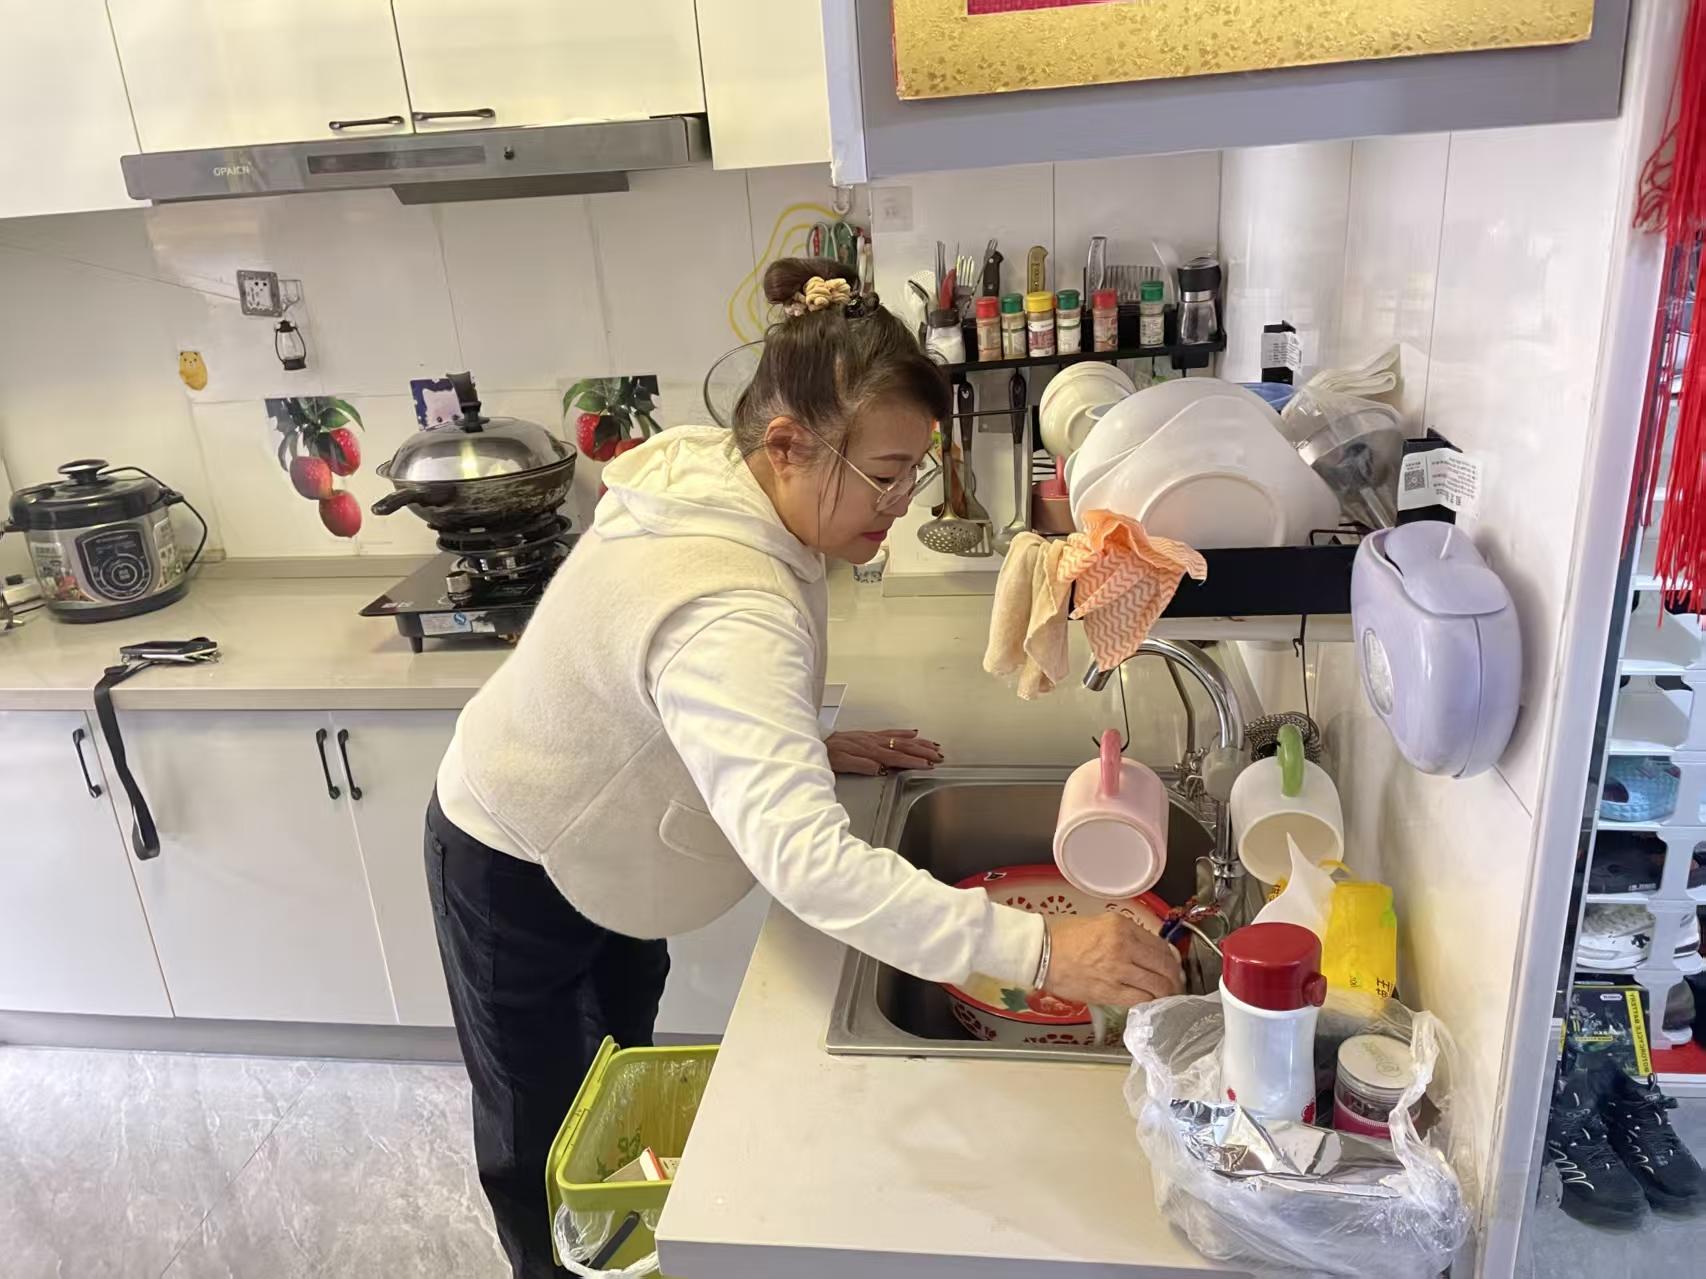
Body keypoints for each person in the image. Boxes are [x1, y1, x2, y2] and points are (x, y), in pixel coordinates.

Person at [425, 257, 1184, 1276]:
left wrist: (789, 740)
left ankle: (607, 1244)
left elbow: (662, 681)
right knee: (540, 1143)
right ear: (784, 443)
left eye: (912, 472)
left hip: (605, 836)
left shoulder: (721, 477)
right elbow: (810, 864)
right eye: (884, 473)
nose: (900, 502)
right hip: (513, 848)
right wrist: (1045, 952)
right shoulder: (729, 608)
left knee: (612, 1076)